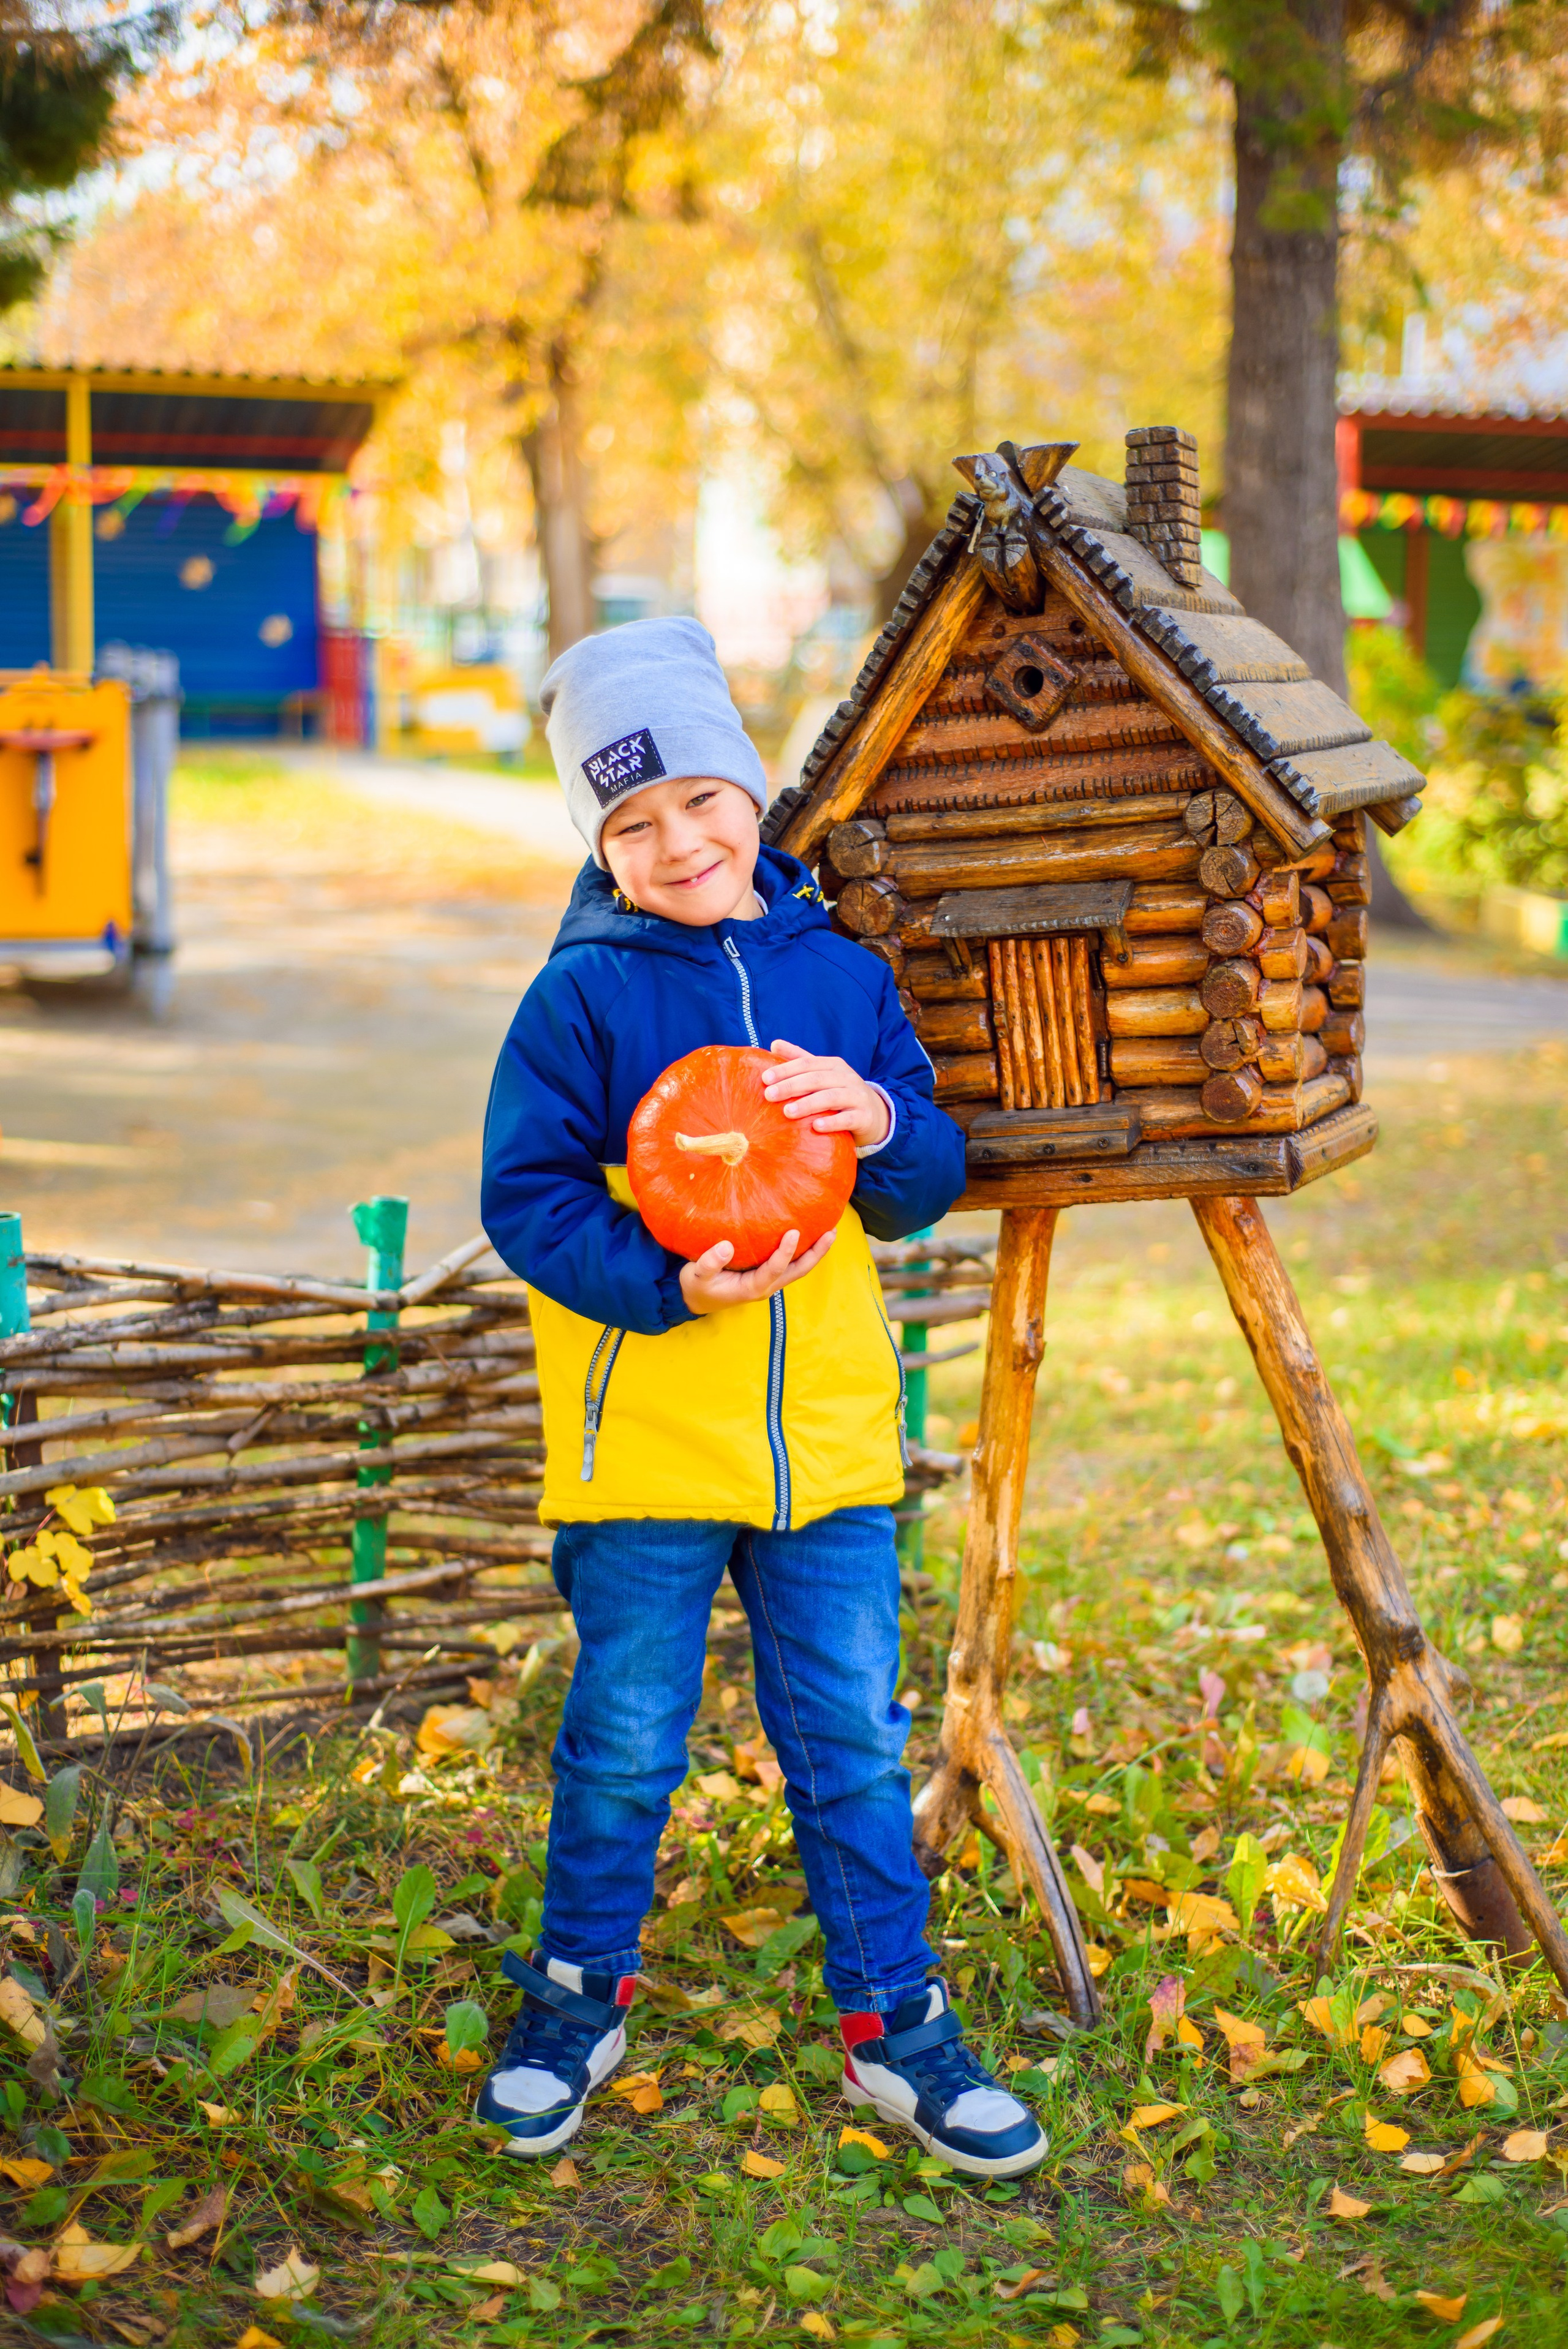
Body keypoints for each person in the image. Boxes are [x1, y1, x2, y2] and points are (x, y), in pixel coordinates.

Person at [478, 614, 1046, 2180]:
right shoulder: (581, 998)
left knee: (850, 1743)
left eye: (700, 801)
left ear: (749, 795)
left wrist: (875, 1112)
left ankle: (894, 2026)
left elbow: (922, 1176)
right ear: (598, 842)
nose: (675, 841)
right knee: (624, 1741)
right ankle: (572, 1999)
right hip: (648, 1443)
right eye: (630, 820)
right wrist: (668, 1286)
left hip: (828, 1454)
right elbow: (526, 1200)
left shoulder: (840, 974)